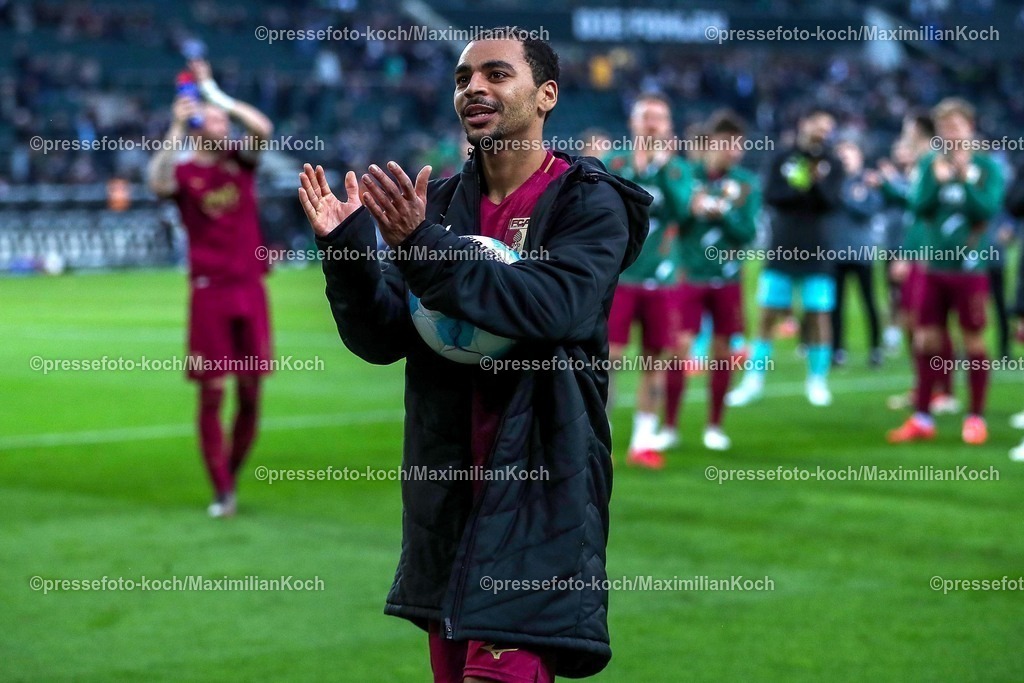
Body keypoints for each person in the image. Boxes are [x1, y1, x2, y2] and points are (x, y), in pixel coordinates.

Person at [297, 29, 650, 682]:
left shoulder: (587, 200)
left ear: (546, 96)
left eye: (496, 74)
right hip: (448, 494)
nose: (474, 89)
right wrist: (346, 251)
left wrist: (423, 247)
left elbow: (554, 306)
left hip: (540, 488)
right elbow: (382, 339)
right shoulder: (435, 205)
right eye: (463, 79)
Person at [147, 59, 275, 518]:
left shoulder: (241, 162)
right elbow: (156, 180)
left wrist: (216, 94)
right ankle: (221, 489)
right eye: (216, 120)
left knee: (251, 393)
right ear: (199, 128)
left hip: (250, 288)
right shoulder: (184, 174)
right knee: (213, 392)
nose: (224, 126)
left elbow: (262, 127)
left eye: (225, 120)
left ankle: (230, 476)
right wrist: (176, 127)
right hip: (209, 293)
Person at [887, 98, 1005, 445]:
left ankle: (975, 416)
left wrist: (963, 179)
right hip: (933, 266)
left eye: (956, 126)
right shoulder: (930, 163)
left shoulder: (986, 166)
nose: (950, 133)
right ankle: (922, 416)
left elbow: (987, 209)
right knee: (926, 338)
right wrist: (937, 181)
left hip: (970, 270)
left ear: (970, 128)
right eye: (944, 127)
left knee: (973, 339)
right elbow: (918, 207)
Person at [727, 105, 844, 408]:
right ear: (804, 123)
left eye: (827, 127)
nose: (823, 132)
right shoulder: (781, 157)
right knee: (767, 315)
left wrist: (812, 186)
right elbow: (771, 195)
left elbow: (832, 201)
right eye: (818, 124)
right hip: (782, 247)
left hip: (818, 249)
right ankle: (754, 380)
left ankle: (817, 380)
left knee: (818, 315)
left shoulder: (833, 162)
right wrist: (805, 186)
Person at [659, 109, 760, 451]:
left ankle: (714, 426)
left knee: (722, 353)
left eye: (739, 145)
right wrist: (693, 208)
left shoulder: (746, 183)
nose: (735, 151)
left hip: (727, 279)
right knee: (679, 350)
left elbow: (747, 232)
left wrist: (723, 212)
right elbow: (676, 218)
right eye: (728, 143)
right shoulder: (687, 175)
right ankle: (669, 426)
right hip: (689, 275)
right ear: (711, 143)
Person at [603, 93, 692, 469]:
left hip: (663, 277)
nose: (653, 123)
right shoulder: (615, 162)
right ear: (633, 122)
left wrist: (661, 167)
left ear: (669, 126)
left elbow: (682, 211)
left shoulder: (677, 169)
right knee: (608, 358)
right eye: (646, 116)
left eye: (660, 117)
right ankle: (600, 434)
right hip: (620, 276)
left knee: (654, 359)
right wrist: (641, 169)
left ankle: (643, 439)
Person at [830, 138, 884, 368]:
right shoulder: (831, 182)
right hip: (835, 252)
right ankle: (836, 349)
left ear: (859, 158)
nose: (845, 160)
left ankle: (876, 348)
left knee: (869, 301)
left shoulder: (869, 181)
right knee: (835, 304)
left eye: (848, 155)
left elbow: (868, 209)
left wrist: (845, 198)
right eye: (841, 156)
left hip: (861, 252)